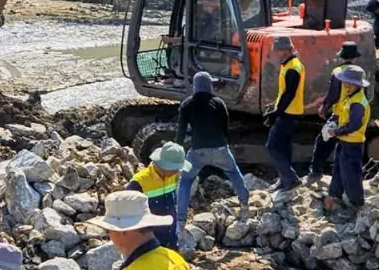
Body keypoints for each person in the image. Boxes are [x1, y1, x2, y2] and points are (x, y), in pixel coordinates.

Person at [175, 72, 251, 225]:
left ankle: (181, 220)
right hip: (220, 149)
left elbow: (181, 131)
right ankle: (244, 206)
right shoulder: (218, 102)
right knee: (233, 172)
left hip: (197, 152)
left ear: (194, 86)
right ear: (209, 85)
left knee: (185, 181)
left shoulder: (186, 104)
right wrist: (225, 142)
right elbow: (225, 127)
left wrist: (177, 149)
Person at [323, 64, 370, 214]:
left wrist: (335, 131)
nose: (345, 84)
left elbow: (353, 125)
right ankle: (334, 195)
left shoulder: (358, 103)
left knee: (351, 174)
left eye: (348, 82)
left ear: (356, 84)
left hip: (353, 143)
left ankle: (356, 203)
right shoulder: (351, 98)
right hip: (345, 141)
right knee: (338, 168)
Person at [263, 38, 308, 191]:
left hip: (289, 113)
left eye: (278, 50)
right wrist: (275, 107)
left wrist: (276, 113)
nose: (276, 54)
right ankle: (285, 179)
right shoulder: (288, 65)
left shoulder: (292, 68)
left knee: (272, 146)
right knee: (284, 147)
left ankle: (290, 178)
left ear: (286, 50)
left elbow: (289, 94)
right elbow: (285, 93)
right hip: (290, 111)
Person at [129, 142, 189, 248]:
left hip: (171, 238)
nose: (178, 171)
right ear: (165, 166)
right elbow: (128, 214)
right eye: (176, 169)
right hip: (150, 242)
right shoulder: (140, 182)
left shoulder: (172, 176)